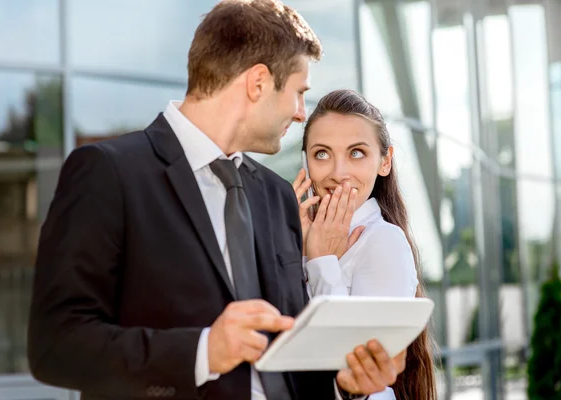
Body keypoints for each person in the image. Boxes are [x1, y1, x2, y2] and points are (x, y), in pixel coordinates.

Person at [27, 2, 407, 400]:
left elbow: (291, 360)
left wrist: (346, 386)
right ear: (257, 83)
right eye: (298, 93)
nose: (300, 114)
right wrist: (202, 350)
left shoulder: (277, 197)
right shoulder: (109, 173)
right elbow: (56, 345)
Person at [292, 89, 437, 400]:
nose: (338, 172)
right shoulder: (295, 237)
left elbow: (363, 378)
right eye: (322, 153)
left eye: (356, 152)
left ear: (384, 162)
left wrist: (322, 264)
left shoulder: (384, 242)